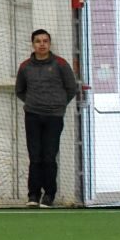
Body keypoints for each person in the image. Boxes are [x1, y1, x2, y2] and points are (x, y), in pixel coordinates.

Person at [15, 29, 78, 207]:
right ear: (33, 44)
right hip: (33, 116)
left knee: (49, 156)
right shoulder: (25, 66)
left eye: (45, 41)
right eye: (38, 41)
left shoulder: (60, 64)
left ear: (49, 44)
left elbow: (71, 88)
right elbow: (19, 90)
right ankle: (33, 195)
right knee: (35, 156)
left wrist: (58, 105)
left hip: (54, 117)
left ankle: (49, 195)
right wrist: (33, 103)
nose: (42, 44)